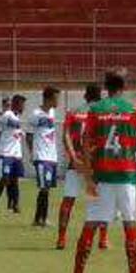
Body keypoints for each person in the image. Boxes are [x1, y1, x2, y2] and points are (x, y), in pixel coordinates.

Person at [67, 68, 136, 273]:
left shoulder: (96, 110)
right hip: (127, 178)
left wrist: (88, 177)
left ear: (106, 87)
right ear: (124, 87)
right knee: (130, 225)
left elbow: (86, 146)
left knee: (90, 224)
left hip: (102, 178)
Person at [56, 83, 107, 251]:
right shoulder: (104, 113)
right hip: (96, 163)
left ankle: (61, 239)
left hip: (76, 162)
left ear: (86, 95)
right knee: (100, 200)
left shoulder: (74, 111)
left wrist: (74, 157)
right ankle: (102, 239)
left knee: (68, 199)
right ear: (100, 96)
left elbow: (66, 136)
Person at [29, 86, 61, 228]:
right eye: (56, 98)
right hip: (41, 156)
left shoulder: (52, 113)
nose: (58, 101)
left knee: (46, 188)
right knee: (44, 187)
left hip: (51, 156)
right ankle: (41, 219)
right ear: (48, 99)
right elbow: (29, 135)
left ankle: (39, 219)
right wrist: (32, 153)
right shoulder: (35, 115)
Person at [0, 93, 27, 214]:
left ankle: (14, 205)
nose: (24, 107)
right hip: (7, 153)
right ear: (16, 104)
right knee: (6, 179)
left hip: (16, 155)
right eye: (22, 105)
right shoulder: (7, 115)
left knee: (15, 180)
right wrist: (1, 145)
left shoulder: (17, 117)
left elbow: (16, 133)